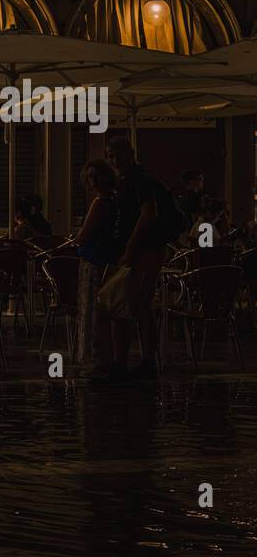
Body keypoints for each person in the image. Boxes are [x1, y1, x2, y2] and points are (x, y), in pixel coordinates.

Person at [93, 136, 173, 385]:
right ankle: (147, 362)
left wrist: (129, 247)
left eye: (117, 154)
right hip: (145, 252)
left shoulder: (139, 181)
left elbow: (147, 215)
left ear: (130, 153)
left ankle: (121, 364)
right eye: (110, 155)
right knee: (141, 308)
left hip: (142, 253)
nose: (114, 160)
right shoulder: (132, 180)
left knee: (119, 306)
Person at [73, 160, 119, 371]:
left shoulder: (99, 204)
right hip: (109, 260)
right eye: (89, 177)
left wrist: (78, 236)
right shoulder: (117, 202)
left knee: (92, 309)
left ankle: (94, 359)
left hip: (94, 261)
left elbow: (84, 236)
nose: (92, 181)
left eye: (95, 176)